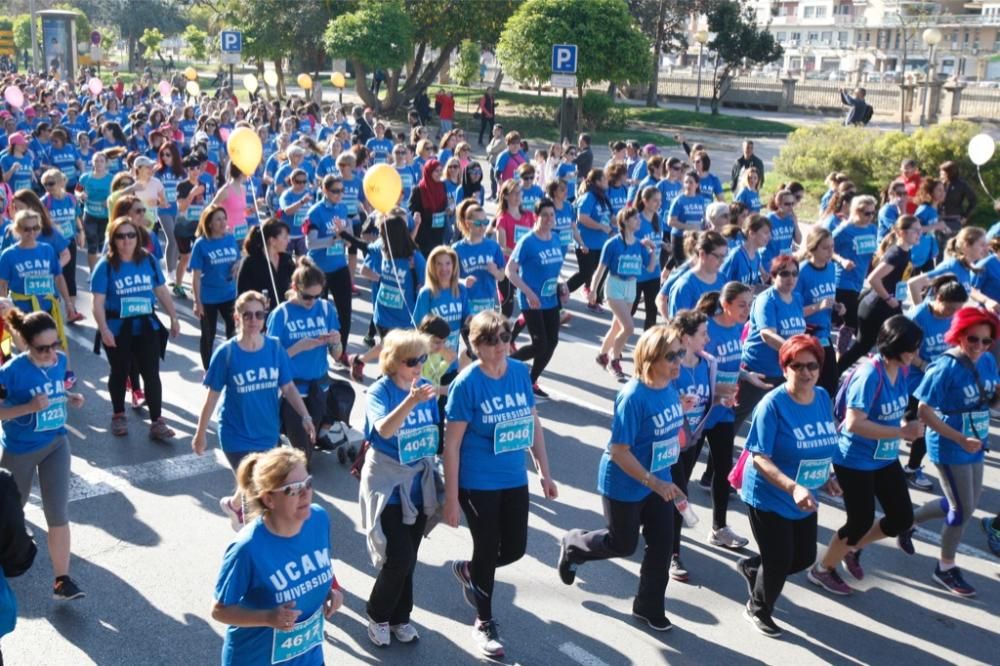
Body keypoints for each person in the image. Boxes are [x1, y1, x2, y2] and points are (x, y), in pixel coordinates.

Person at [557, 324, 688, 631]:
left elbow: (662, 434)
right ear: (650, 358)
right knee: (622, 544)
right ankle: (575, 545)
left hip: (659, 480)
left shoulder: (669, 386)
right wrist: (653, 482)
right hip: (626, 483)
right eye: (670, 356)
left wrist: (680, 409)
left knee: (662, 545)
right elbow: (619, 451)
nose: (677, 362)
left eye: (679, 354)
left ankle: (648, 606)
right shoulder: (633, 397)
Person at [443, 310, 558, 659]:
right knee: (487, 544)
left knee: (515, 548)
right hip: (477, 479)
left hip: (512, 476)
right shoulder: (466, 384)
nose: (499, 348)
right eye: (491, 342)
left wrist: (544, 470)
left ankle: (469, 570)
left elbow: (532, 422)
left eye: (504, 339)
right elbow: (450, 445)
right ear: (476, 346)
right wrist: (451, 499)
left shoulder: (520, 373)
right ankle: (484, 620)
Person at [809, 316, 923, 595]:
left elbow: (892, 412)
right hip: (854, 459)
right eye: (913, 347)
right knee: (859, 521)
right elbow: (854, 423)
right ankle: (822, 569)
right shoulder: (870, 375)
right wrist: (901, 432)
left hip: (883, 456)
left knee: (901, 519)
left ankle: (853, 547)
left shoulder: (902, 369)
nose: (916, 353)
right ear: (896, 346)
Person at [737, 335, 842, 637]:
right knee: (779, 559)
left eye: (812, 366)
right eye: (797, 366)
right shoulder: (772, 405)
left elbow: (823, 443)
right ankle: (758, 608)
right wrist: (792, 487)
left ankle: (754, 568)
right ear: (785, 369)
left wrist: (829, 476)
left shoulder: (822, 397)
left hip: (806, 494)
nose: (806, 372)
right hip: (770, 495)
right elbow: (758, 457)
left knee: (804, 557)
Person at [193, 291, 315, 527]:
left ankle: (233, 505)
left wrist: (305, 415)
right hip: (236, 436)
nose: (253, 320)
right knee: (259, 492)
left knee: (251, 483)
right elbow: (212, 397)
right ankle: (255, 539)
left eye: (259, 314)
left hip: (268, 434)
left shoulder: (275, 348)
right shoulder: (227, 353)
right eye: (247, 315)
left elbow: (288, 387)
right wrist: (200, 434)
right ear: (237, 317)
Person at [211, 447, 343, 665]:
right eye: (293, 489)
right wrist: (267, 618)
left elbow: (314, 563)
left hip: (307, 656)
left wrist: (331, 589)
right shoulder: (247, 548)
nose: (305, 494)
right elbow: (219, 611)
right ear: (269, 499)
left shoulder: (318, 518)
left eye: (308, 484)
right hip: (256, 658)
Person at [908, 307, 1000, 598]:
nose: (979, 347)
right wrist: (959, 438)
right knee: (961, 510)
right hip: (950, 444)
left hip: (975, 439)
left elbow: (990, 399)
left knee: (966, 503)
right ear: (959, 335)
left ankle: (907, 521)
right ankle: (945, 567)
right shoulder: (944, 367)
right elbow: (924, 411)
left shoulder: (986, 361)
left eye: (987, 341)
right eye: (973, 339)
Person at [359, 329, 440, 647]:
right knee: (399, 556)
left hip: (418, 484)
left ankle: (400, 617)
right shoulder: (380, 391)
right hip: (387, 484)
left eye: (422, 358)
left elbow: (433, 434)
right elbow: (384, 428)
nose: (418, 366)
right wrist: (410, 400)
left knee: (410, 556)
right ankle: (377, 614)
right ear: (393, 362)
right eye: (411, 361)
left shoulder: (424, 389)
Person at [0, 309, 85, 601]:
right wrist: (27, 408)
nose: (51, 353)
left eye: (55, 344)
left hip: (56, 443)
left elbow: (55, 389)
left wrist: (69, 398)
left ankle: (62, 581)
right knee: (10, 513)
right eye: (42, 348)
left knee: (58, 513)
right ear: (26, 343)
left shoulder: (59, 362)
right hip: (20, 451)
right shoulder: (10, 373)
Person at [91, 216, 180, 439]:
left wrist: (174, 318)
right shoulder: (106, 266)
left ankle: (157, 421)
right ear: (113, 239)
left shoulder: (148, 260)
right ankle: (118, 414)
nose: (126, 240)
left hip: (146, 325)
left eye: (131, 235)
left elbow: (161, 291)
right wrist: (104, 330)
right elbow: (98, 303)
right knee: (119, 371)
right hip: (118, 328)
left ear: (137, 236)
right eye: (120, 236)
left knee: (151, 372)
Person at [697, 284, 755, 548]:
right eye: (742, 304)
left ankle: (719, 528)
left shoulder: (737, 329)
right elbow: (694, 368)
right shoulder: (706, 329)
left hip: (723, 411)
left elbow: (730, 365)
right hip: (698, 412)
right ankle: (661, 532)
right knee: (679, 473)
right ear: (726, 304)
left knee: (723, 469)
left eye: (749, 304)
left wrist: (745, 376)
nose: (747, 310)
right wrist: (718, 390)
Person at [902, 276, 966, 491]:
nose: (951, 314)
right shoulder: (917, 317)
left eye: (956, 310)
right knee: (918, 423)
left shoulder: (955, 317)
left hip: (939, 378)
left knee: (926, 424)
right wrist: (925, 365)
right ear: (937, 298)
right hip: (914, 379)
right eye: (948, 308)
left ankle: (911, 468)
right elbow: (904, 352)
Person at [838, 215, 921, 372]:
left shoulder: (905, 252)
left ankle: (887, 381)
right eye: (915, 230)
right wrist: (889, 298)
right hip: (877, 307)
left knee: (893, 345)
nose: (919, 234)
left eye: (920, 230)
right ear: (902, 233)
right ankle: (831, 378)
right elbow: (873, 279)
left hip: (890, 306)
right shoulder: (896, 254)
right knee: (863, 347)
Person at [734, 255, 806, 428]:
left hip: (782, 371)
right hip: (758, 370)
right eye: (785, 273)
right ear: (774, 275)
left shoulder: (797, 298)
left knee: (775, 420)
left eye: (795, 274)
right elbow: (767, 334)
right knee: (735, 419)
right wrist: (796, 352)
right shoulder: (766, 299)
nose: (791, 278)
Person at [507, 199, 565, 398]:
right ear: (536, 216)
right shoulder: (528, 242)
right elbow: (510, 271)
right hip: (531, 300)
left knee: (553, 342)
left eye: (552, 215)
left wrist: (562, 284)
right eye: (545, 215)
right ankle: (506, 363)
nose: (549, 219)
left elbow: (555, 268)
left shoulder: (556, 239)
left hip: (550, 299)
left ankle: (530, 381)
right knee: (540, 344)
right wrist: (529, 293)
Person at [592, 208, 657, 381]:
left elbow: (650, 268)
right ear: (625, 221)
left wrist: (653, 252)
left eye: (638, 218)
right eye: (635, 218)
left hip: (631, 286)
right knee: (628, 327)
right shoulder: (612, 244)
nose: (639, 221)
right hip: (615, 286)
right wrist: (593, 290)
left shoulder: (639, 245)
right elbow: (601, 269)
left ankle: (602, 355)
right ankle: (614, 360)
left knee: (617, 327)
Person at [190, 204, 240, 370]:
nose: (222, 222)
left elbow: (239, 258)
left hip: (229, 294)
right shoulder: (201, 244)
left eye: (224, 219)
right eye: (218, 219)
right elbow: (196, 276)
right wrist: (197, 302)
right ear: (209, 223)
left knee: (234, 332)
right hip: (208, 297)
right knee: (208, 336)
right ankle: (208, 369)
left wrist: (238, 264)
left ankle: (233, 364)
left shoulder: (230, 238)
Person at [796, 227, 844, 396]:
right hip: (807, 334)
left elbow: (827, 296)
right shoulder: (801, 272)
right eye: (825, 247)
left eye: (832, 246)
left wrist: (837, 305)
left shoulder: (830, 267)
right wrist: (818, 306)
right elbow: (792, 312)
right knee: (812, 384)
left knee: (830, 385)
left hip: (824, 333)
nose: (831, 251)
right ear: (813, 247)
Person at [567, 169, 613, 310]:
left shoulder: (603, 197)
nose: (607, 182)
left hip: (601, 243)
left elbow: (609, 217)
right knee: (585, 273)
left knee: (601, 272)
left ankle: (594, 300)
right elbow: (582, 218)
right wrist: (600, 227)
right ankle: (561, 292)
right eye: (604, 179)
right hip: (586, 243)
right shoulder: (588, 197)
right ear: (597, 182)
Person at [663, 231, 727, 317]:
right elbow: (678, 327)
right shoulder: (685, 286)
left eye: (724, 256)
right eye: (718, 256)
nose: (722, 261)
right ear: (702, 254)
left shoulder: (722, 279)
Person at [237, 219, 294, 312]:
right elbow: (242, 294)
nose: (289, 240)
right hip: (260, 316)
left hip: (286, 313)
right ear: (272, 241)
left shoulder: (286, 259)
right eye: (285, 237)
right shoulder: (250, 263)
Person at [410, 159, 449, 257]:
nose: (439, 173)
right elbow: (413, 210)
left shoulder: (442, 185)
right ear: (428, 171)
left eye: (440, 170)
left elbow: (443, 205)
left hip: (439, 232)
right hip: (424, 234)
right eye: (436, 171)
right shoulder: (418, 189)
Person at [938, 160, 977, 237]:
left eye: (943, 172)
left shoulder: (961, 185)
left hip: (954, 220)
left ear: (949, 172)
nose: (941, 174)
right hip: (939, 219)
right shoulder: (940, 184)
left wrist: (965, 216)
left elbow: (973, 201)